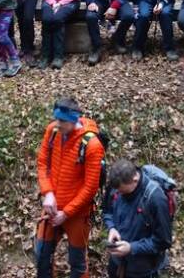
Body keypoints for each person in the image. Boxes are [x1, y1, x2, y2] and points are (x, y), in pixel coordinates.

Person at [35, 97, 105, 278]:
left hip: (77, 214)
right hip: (52, 208)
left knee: (78, 263)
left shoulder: (91, 145)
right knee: (42, 254)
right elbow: (42, 162)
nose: (57, 124)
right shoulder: (52, 131)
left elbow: (90, 187)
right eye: (56, 119)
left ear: (73, 120)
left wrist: (66, 213)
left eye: (62, 121)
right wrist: (48, 193)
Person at [102, 160, 173, 278]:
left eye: (122, 191)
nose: (119, 194)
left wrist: (131, 248)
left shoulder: (156, 199)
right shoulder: (116, 185)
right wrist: (112, 228)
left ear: (135, 179)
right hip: (117, 262)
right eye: (117, 191)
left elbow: (163, 241)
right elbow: (107, 211)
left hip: (142, 268)